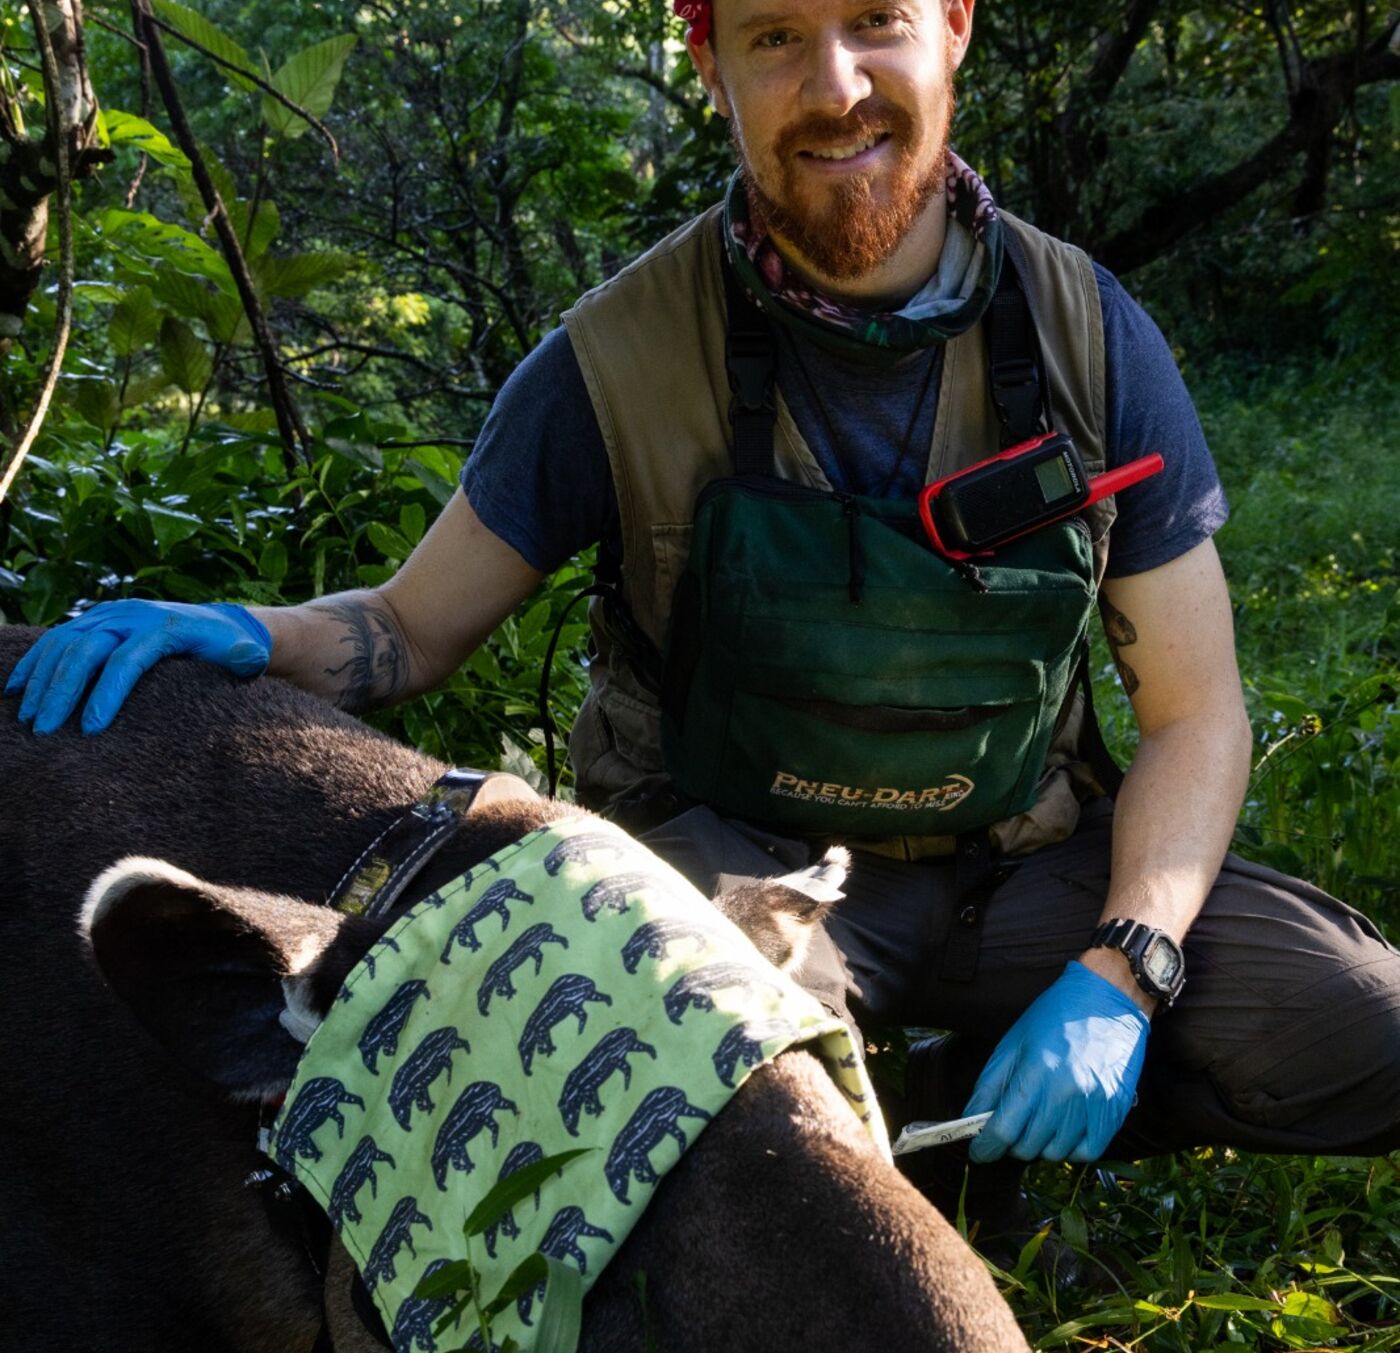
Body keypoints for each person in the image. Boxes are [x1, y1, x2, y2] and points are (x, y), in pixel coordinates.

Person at [8, 0, 1396, 1208]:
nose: (836, 85)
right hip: (739, 883)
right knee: (709, 1137)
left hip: (1026, 873)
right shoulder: (615, 357)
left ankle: (989, 1104)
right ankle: (880, 1169)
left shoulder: (1089, 332)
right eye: (777, 39)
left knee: (1365, 1025)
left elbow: (1197, 710)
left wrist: (1123, 969)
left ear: (955, 25)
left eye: (876, 24)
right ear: (712, 66)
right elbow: (412, 629)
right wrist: (246, 638)